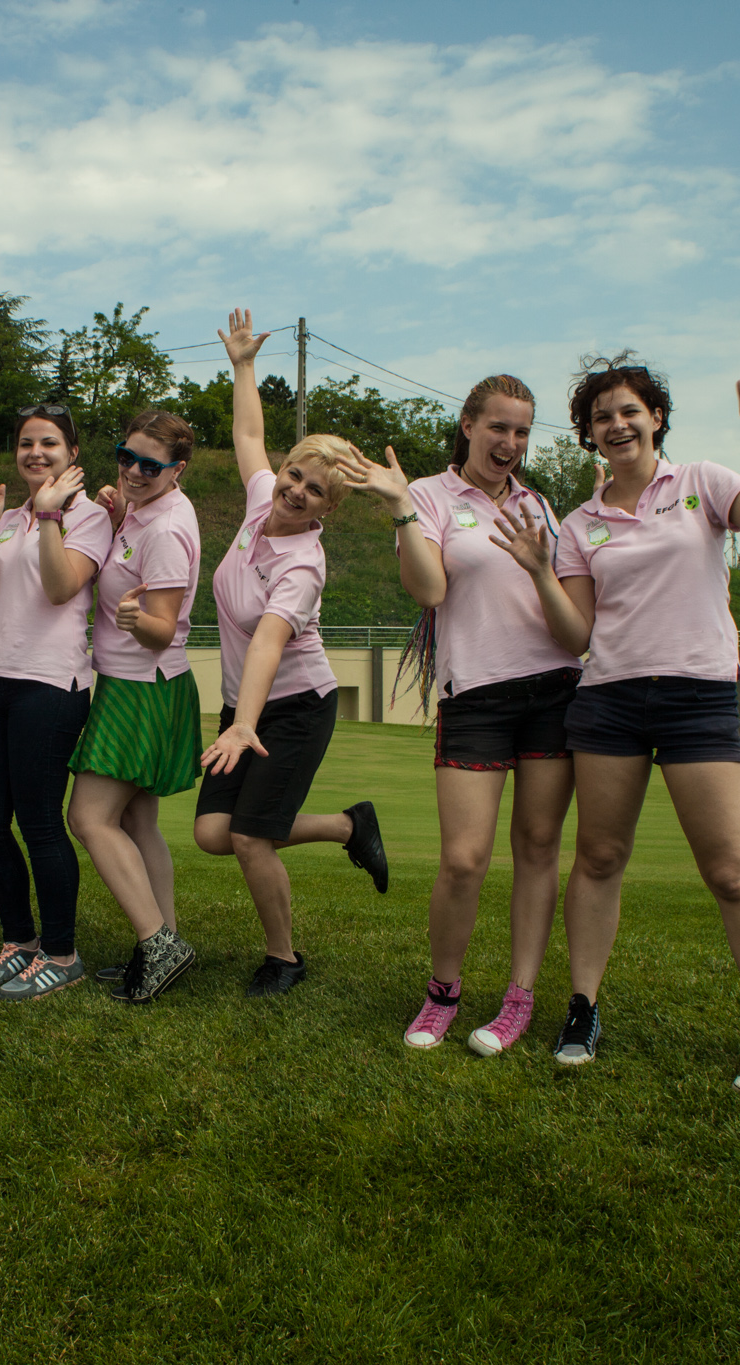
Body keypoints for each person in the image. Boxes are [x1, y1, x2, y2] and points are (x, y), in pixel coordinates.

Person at [492, 353, 740, 1092]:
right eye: (602, 416)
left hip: (698, 694)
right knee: (599, 858)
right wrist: (541, 569)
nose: (617, 423)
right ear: (589, 435)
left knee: (732, 873)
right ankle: (582, 1008)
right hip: (608, 701)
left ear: (656, 417)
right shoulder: (579, 524)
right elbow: (576, 636)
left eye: (629, 410)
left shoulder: (703, 483)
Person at [339, 372, 581, 1053]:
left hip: (555, 691)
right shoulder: (426, 494)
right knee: (464, 859)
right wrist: (400, 509)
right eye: (498, 426)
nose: (510, 442)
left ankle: (517, 1000)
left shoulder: (537, 503)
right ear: (469, 425)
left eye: (522, 431)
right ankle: (443, 993)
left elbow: (567, 608)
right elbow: (430, 587)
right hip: (474, 695)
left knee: (537, 850)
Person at [192, 309, 389, 997]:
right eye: (296, 475)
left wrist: (245, 724)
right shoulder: (255, 506)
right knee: (215, 831)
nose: (298, 491)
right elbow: (249, 433)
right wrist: (243, 365)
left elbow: (271, 644)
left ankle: (284, 958)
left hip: (295, 706)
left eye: (316, 491)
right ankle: (346, 825)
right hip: (245, 704)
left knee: (251, 838)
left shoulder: (304, 564)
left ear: (327, 506)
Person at [0, 404, 112, 1001]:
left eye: (49, 443)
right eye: (26, 443)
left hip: (54, 686)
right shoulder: (10, 517)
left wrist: (51, 516)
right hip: (0, 684)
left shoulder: (89, 518)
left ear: (72, 453)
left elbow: (59, 587)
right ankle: (19, 941)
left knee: (40, 823)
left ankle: (61, 952)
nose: (36, 453)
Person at [65, 408, 204, 1005]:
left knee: (89, 819)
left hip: (141, 685)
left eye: (151, 465)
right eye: (127, 456)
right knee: (137, 820)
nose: (134, 470)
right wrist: (123, 509)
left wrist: (134, 620)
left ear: (177, 469)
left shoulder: (166, 528)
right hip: (142, 682)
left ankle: (157, 943)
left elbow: (165, 628)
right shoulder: (148, 510)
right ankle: (165, 942)